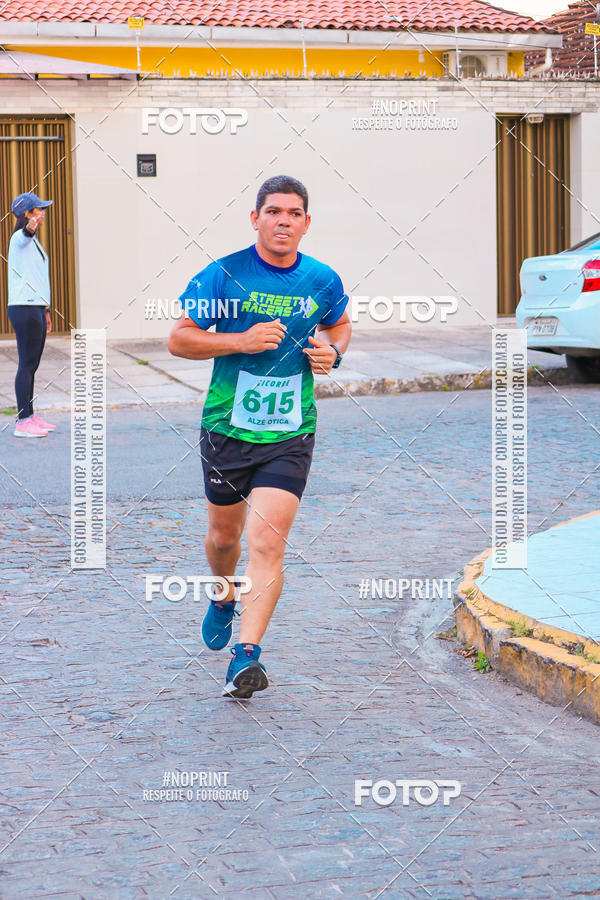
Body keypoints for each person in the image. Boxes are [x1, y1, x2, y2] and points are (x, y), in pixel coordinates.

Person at [168, 175, 352, 699]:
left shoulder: (321, 279)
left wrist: (333, 352)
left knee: (267, 542)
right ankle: (223, 594)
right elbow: (179, 339)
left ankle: (245, 658)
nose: (283, 221)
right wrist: (241, 340)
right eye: (273, 212)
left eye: (294, 213)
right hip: (227, 427)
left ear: (306, 223)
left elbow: (340, 325)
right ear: (255, 219)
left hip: (291, 431)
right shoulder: (224, 275)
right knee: (225, 538)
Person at [7, 192, 56, 438]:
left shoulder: (33, 243)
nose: (43, 212)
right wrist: (31, 227)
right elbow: (26, 234)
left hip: (35, 307)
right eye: (39, 209)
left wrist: (45, 310)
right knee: (26, 364)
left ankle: (31, 414)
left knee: (32, 365)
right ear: (28, 214)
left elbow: (38, 278)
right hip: (23, 307)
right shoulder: (20, 238)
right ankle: (22, 421)